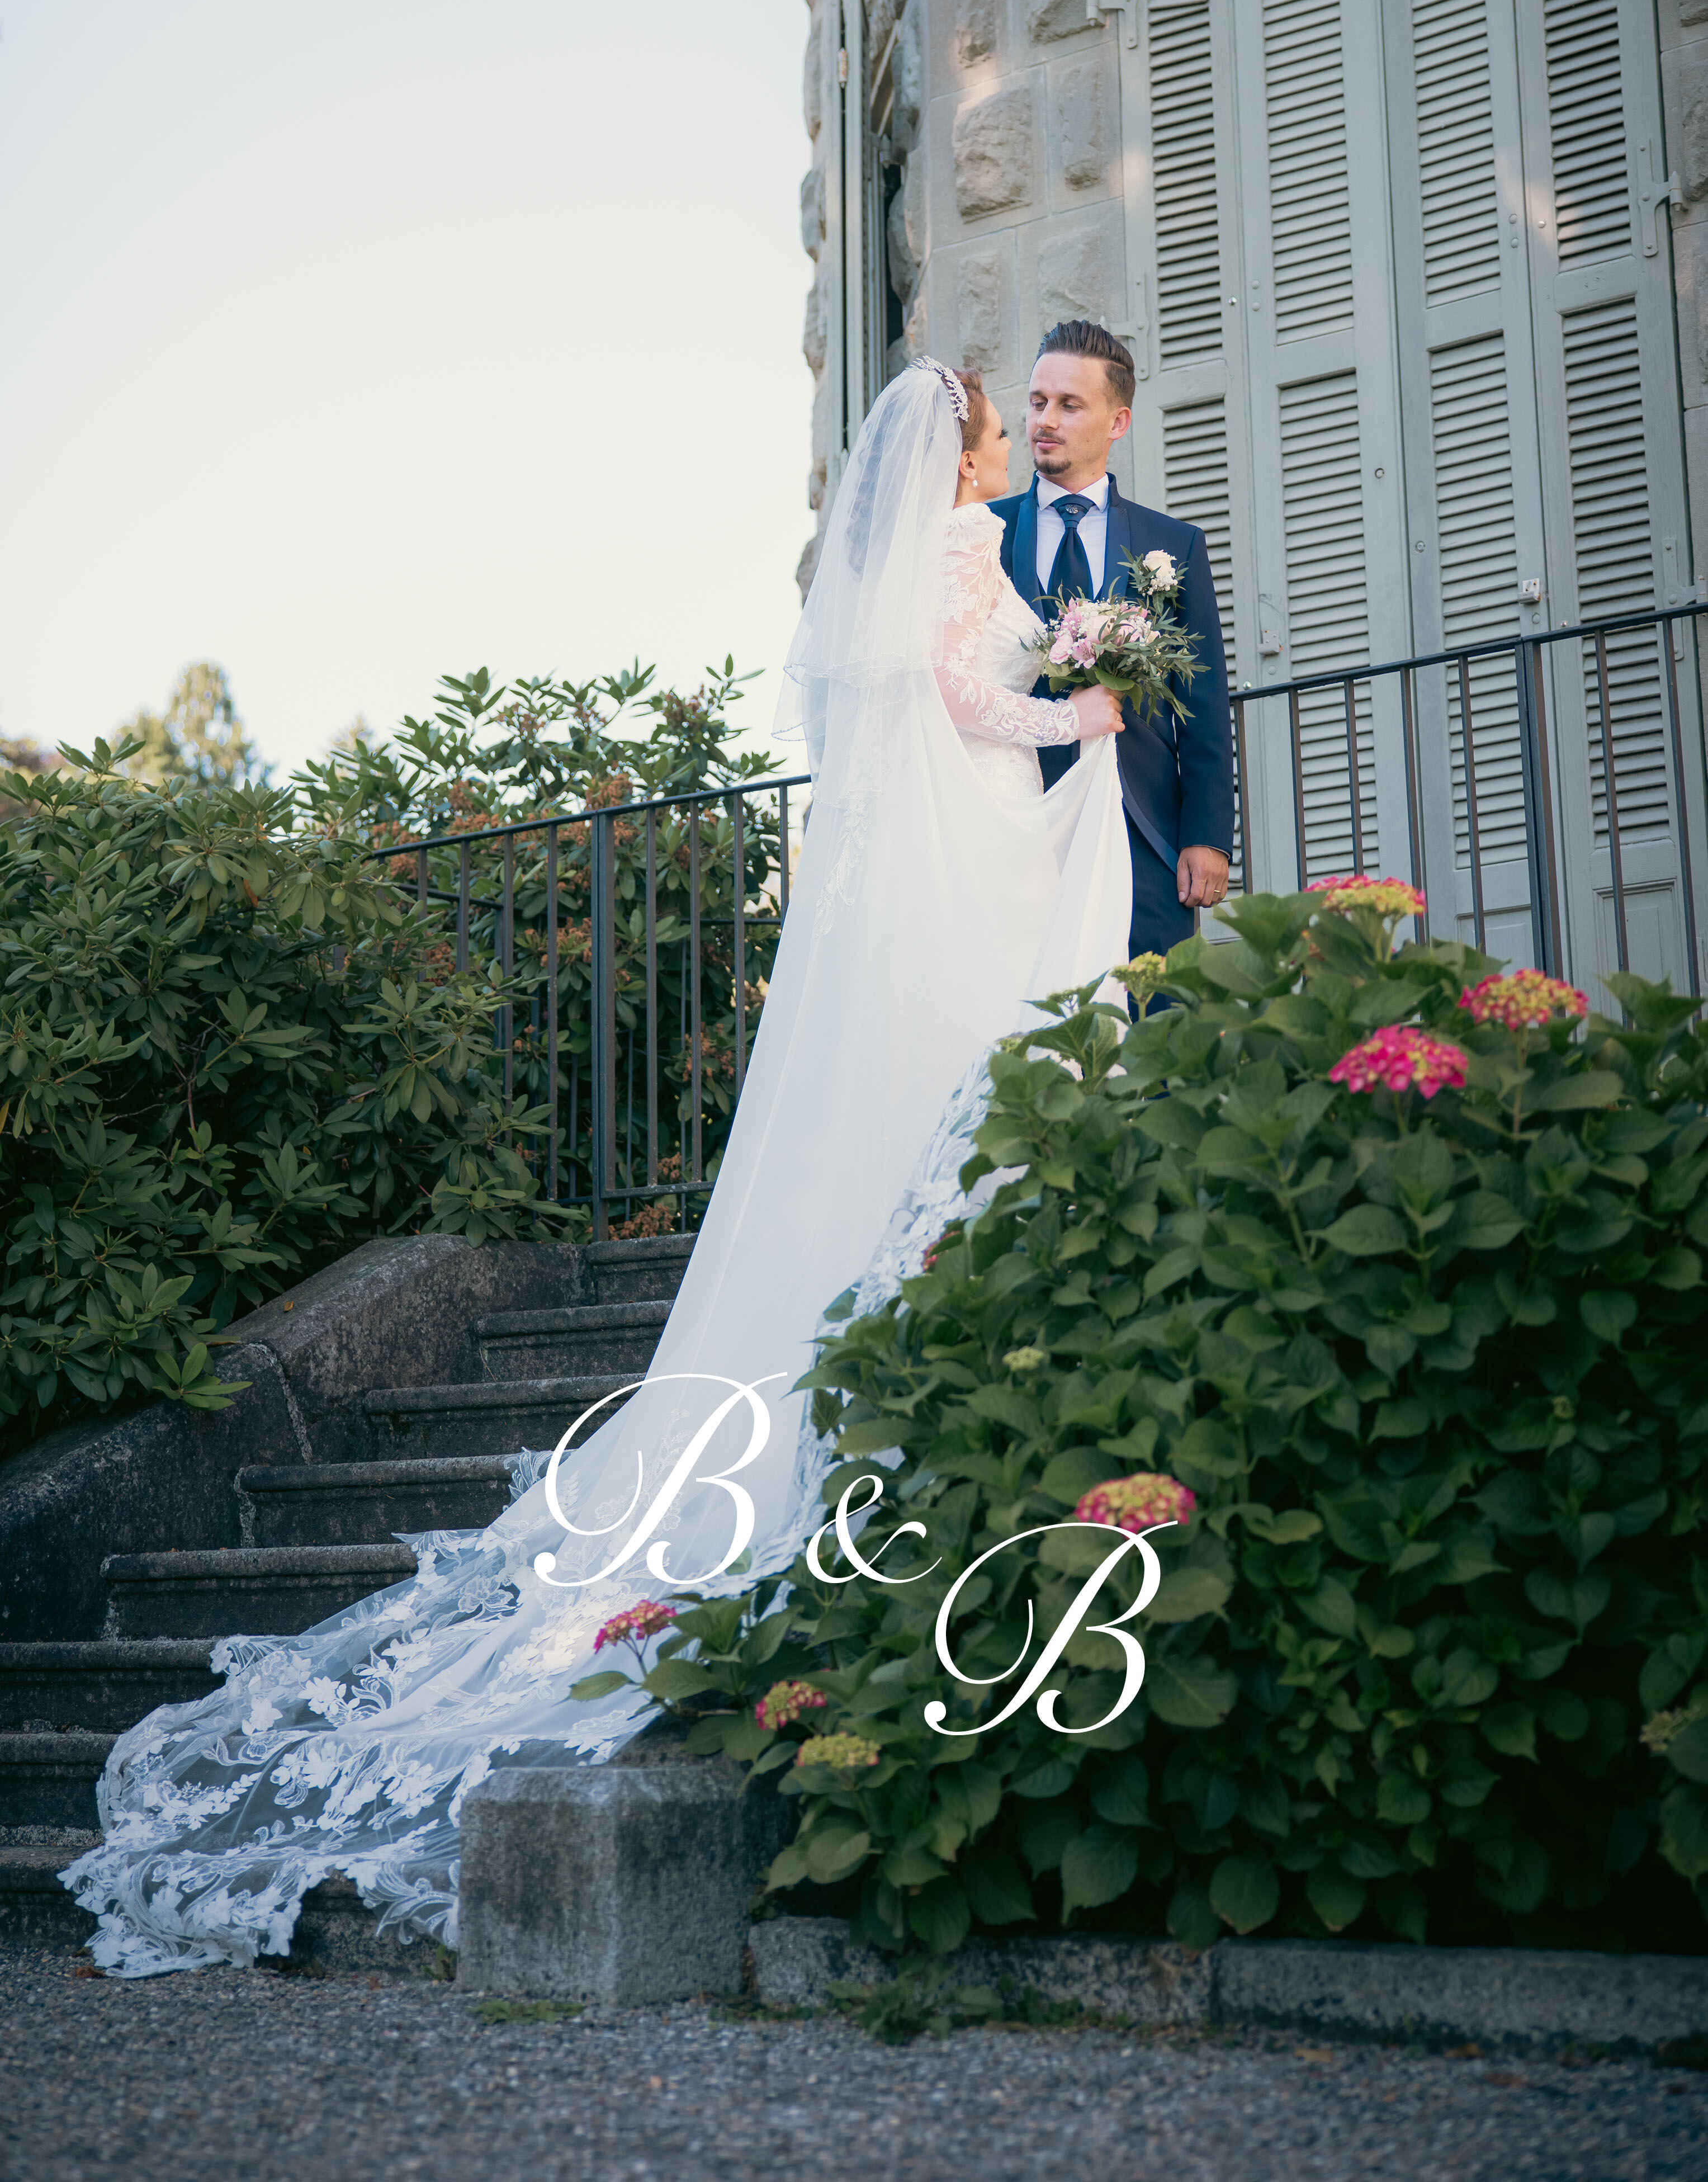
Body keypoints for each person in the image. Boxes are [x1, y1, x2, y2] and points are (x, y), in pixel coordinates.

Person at [66, 358, 1133, 1977]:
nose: (1003, 449)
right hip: (970, 831)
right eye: (997, 429)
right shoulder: (958, 553)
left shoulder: (944, 549)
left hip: (953, 848)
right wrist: (1080, 707)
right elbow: (962, 700)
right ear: (969, 445)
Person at [991, 320, 1234, 961]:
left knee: (1154, 1032)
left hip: (1143, 833)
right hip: (1012, 830)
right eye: (1038, 401)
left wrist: (1207, 835)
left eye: (1070, 405)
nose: (1046, 419)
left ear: (1117, 422)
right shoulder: (978, 536)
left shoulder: (1174, 545)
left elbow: (1205, 705)